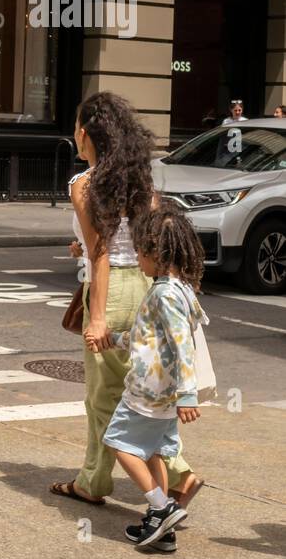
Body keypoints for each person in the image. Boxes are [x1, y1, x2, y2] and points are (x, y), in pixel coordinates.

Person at [51, 91, 200, 510]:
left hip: (111, 289)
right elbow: (143, 240)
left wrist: (97, 317)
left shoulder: (84, 184)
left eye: (77, 127)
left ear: (86, 133)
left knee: (103, 395)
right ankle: (174, 471)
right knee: (147, 389)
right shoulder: (141, 181)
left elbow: (102, 253)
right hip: (147, 286)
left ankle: (100, 482)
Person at [103, 201, 205, 551]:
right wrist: (114, 341)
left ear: (156, 253)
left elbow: (182, 346)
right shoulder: (180, 289)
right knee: (154, 453)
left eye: (140, 253)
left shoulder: (164, 294)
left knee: (119, 444)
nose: (136, 259)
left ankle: (163, 508)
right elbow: (149, 337)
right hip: (164, 396)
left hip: (148, 393)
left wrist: (188, 394)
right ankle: (162, 528)